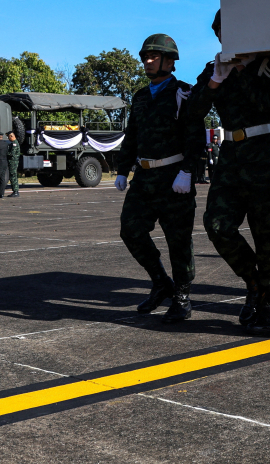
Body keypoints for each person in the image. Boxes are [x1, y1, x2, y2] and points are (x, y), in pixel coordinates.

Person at [193, 9, 270, 334]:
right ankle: (255, 283)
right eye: (221, 32)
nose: (225, 36)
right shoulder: (214, 67)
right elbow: (193, 110)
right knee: (217, 224)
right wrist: (215, 80)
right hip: (231, 153)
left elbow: (264, 101)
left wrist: (239, 68)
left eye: (231, 29)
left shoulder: (267, 62)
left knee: (267, 229)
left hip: (262, 150)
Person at [114, 33, 205, 324]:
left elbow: (195, 136)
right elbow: (132, 135)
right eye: (145, 57)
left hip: (174, 176)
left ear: (169, 61)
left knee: (178, 240)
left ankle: (182, 296)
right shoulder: (141, 96)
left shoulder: (184, 93)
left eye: (154, 57)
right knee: (130, 230)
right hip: (144, 176)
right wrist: (122, 169)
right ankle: (161, 282)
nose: (148, 62)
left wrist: (188, 171)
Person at [7, 131, 21, 197]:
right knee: (13, 176)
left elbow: (12, 153)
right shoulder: (14, 143)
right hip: (12, 162)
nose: (8, 138)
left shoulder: (14, 144)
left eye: (9, 137)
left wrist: (5, 153)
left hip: (13, 162)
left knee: (13, 177)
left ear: (12, 136)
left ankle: (15, 191)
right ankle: (15, 191)